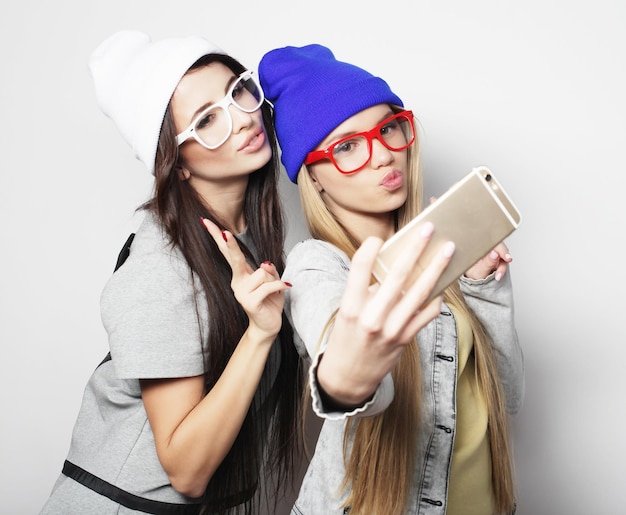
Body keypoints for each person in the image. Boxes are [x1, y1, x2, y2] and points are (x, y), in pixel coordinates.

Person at [40, 30, 304, 515]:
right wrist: (260, 334)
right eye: (208, 120)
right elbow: (185, 468)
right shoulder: (162, 269)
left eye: (238, 91)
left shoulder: (244, 239)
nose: (243, 119)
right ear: (176, 164)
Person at [258, 44, 524, 515]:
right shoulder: (317, 265)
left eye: (388, 130)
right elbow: (343, 368)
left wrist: (485, 288)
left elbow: (505, 400)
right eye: (347, 147)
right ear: (313, 177)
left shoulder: (442, 250)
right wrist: (346, 379)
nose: (382, 155)